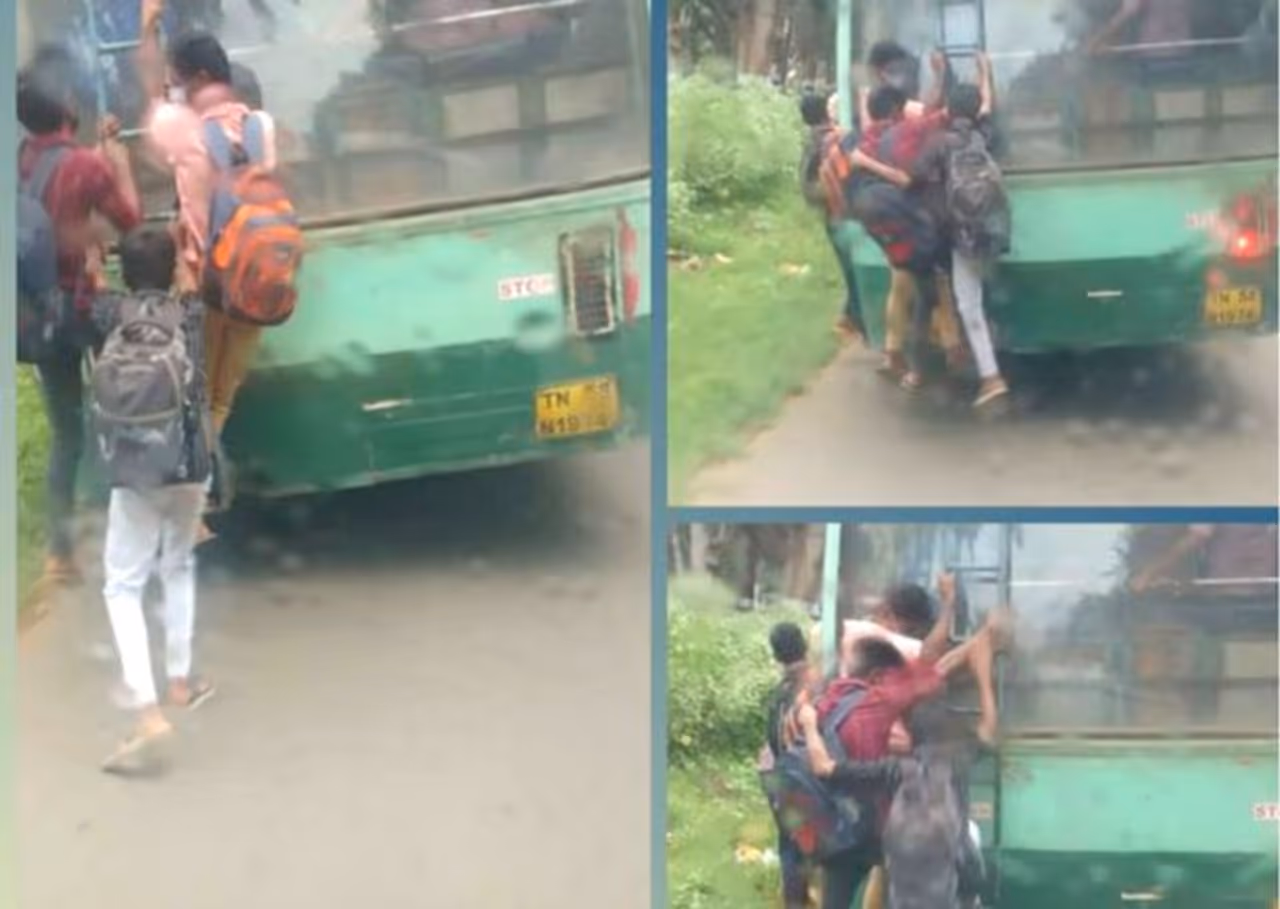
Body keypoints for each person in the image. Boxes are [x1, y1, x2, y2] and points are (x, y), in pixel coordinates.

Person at [18, 45, 143, 593]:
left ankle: (58, 553)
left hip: (35, 316)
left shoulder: (20, 160)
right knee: (137, 401)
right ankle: (160, 519)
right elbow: (130, 221)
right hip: (84, 307)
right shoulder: (87, 166)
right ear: (69, 102)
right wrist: (117, 162)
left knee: (67, 431)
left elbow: (55, 194)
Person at [92, 225, 216, 773]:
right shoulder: (189, 314)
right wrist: (186, 271)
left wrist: (96, 262)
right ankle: (181, 683)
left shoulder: (109, 316)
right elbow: (191, 291)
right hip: (188, 463)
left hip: (135, 469)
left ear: (123, 272)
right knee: (178, 564)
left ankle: (147, 713)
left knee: (123, 585)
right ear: (173, 270)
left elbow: (94, 291)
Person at [136, 2, 280, 440]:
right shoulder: (261, 126)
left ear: (197, 80)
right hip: (258, 276)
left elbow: (153, 102)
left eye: (178, 80)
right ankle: (210, 458)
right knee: (221, 397)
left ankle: (201, 470)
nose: (174, 88)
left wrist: (147, 27)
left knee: (197, 394)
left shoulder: (184, 133)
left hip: (209, 284)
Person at [806, 630, 996, 909]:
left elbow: (824, 767)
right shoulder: (958, 761)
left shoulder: (894, 769)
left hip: (867, 858)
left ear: (911, 735)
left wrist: (808, 723)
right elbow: (988, 733)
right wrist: (984, 677)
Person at [911, 55, 1012, 409]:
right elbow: (987, 107)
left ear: (949, 111)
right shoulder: (985, 136)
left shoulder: (940, 142)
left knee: (967, 302)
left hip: (962, 236)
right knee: (982, 293)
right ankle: (981, 348)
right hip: (994, 229)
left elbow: (914, 175)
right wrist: (986, 72)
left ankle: (990, 376)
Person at [765, 622, 819, 909]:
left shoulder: (779, 693)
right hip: (806, 781)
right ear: (804, 646)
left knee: (790, 845)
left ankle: (795, 901)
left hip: (780, 779)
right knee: (807, 846)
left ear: (776, 655)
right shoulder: (813, 686)